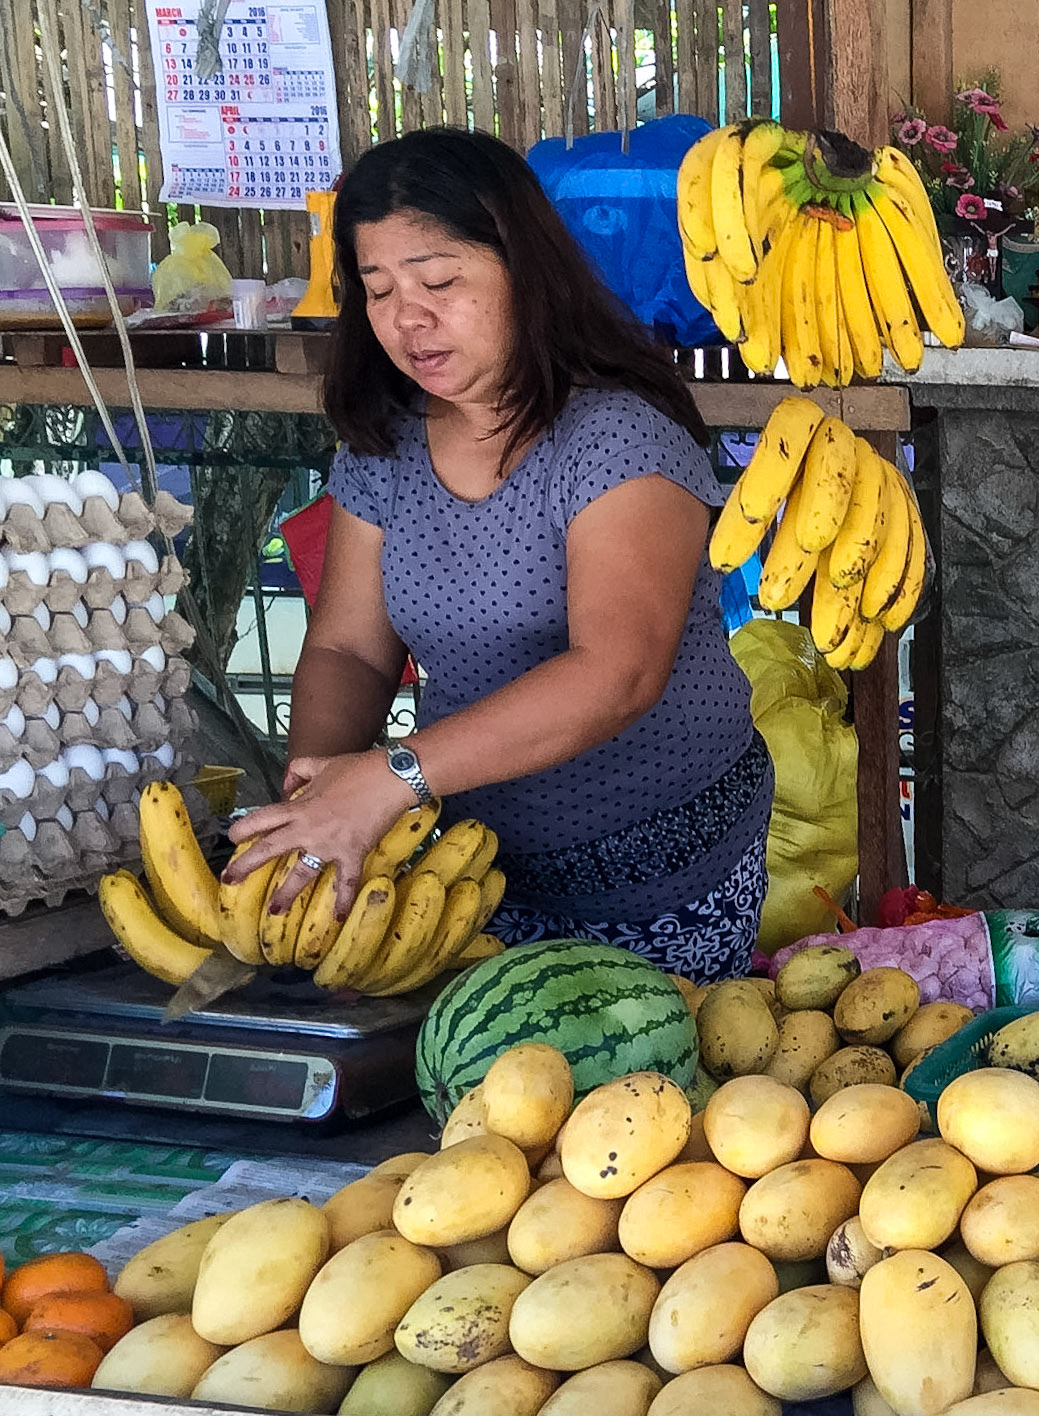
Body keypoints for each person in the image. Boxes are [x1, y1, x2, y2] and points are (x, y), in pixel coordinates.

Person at [223, 128, 772, 981]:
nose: (407, 317)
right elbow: (348, 648)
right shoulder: (387, 442)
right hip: (473, 871)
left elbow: (617, 672)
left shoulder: (618, 437)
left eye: (439, 281)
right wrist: (320, 794)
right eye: (378, 289)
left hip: (660, 875)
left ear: (522, 268)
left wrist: (393, 776)